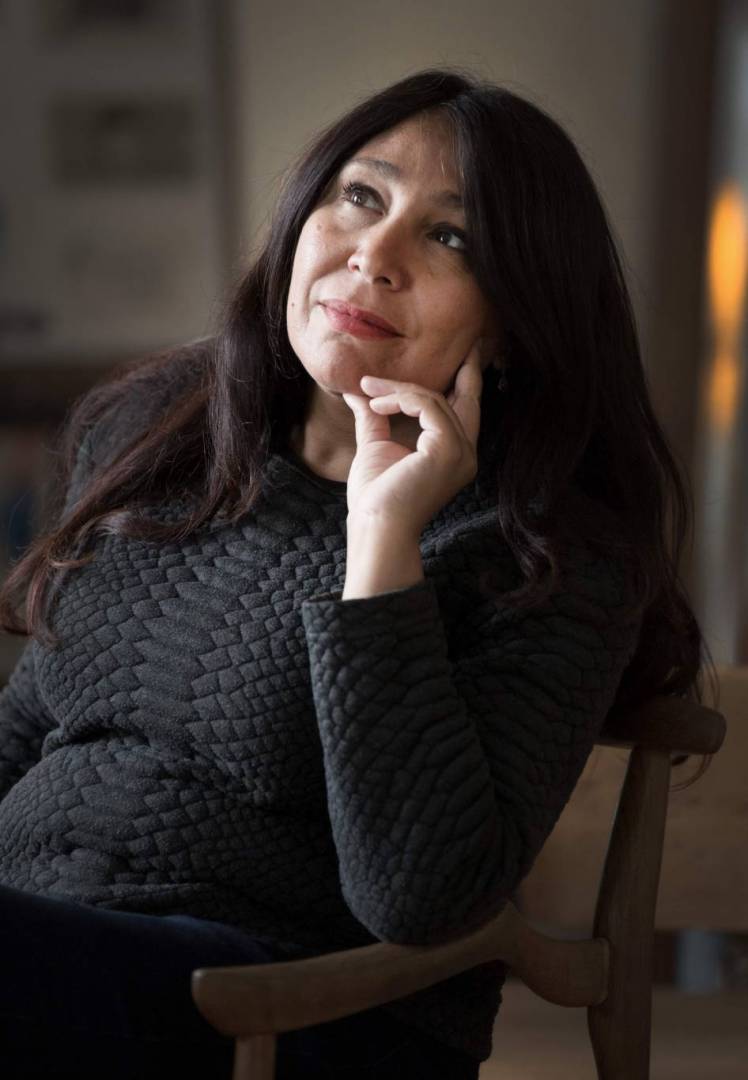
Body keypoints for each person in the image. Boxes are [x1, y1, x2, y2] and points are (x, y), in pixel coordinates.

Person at [0, 67, 716, 1079]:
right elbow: (33, 725)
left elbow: (422, 896)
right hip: (47, 958)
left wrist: (382, 541)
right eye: (361, 197)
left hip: (293, 1011)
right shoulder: (160, 431)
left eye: (450, 237)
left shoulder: (549, 554)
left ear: (512, 320)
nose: (375, 256)